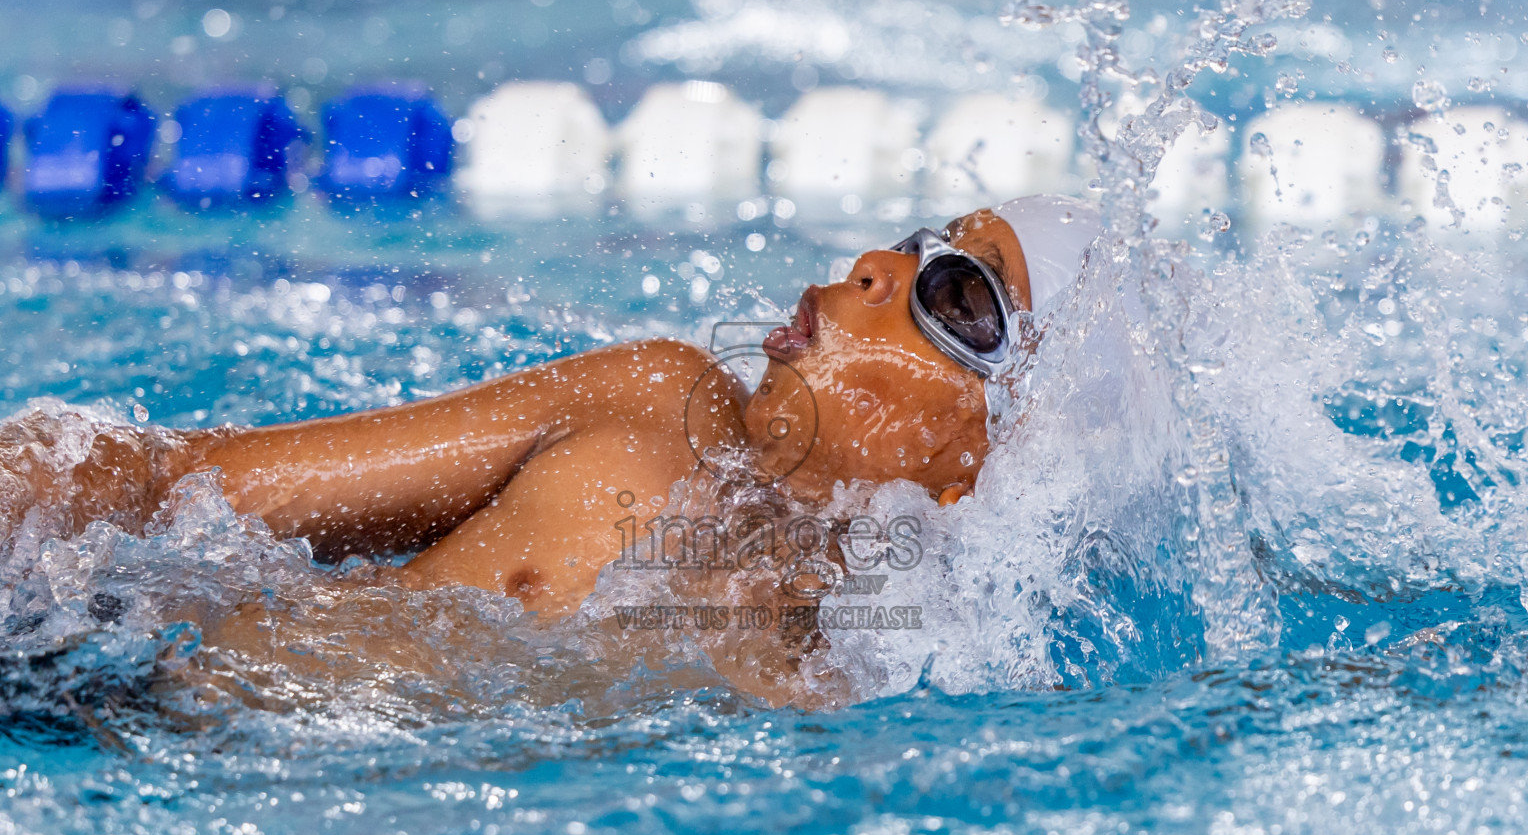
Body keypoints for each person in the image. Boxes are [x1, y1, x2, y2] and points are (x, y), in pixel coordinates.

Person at [0, 195, 1100, 709]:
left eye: (957, 295)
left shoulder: (843, 684)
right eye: (913, 244)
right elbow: (173, 483)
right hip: (85, 666)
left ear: (985, 461)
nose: (872, 265)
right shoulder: (659, 402)